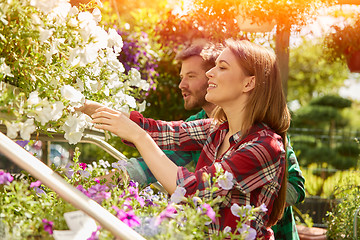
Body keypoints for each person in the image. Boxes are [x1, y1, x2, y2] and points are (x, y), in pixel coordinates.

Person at [84, 39, 291, 239]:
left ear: (249, 83)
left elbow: (191, 189)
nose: (210, 73)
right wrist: (82, 106)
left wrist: (139, 137)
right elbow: (161, 131)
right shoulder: (217, 129)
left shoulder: (265, 146)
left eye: (222, 67)